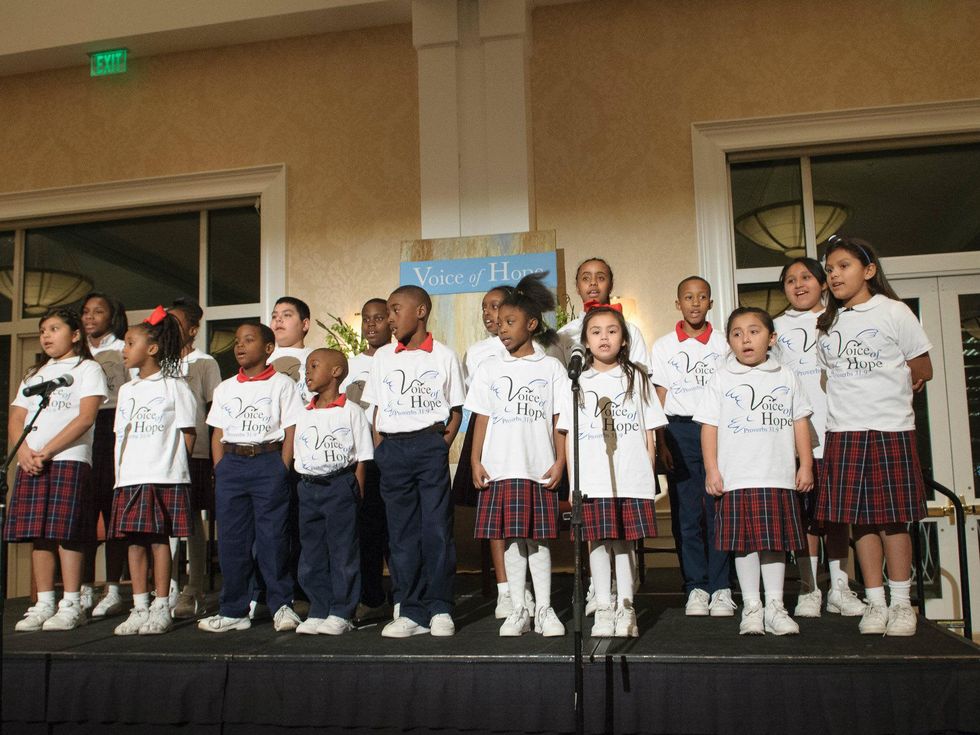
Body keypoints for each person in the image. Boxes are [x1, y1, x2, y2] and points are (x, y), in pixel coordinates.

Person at [815, 236, 932, 636]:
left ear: (868, 270)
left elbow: (923, 368)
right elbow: (827, 375)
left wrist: (899, 386)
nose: (834, 275)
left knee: (893, 520)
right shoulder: (827, 323)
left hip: (888, 428)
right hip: (844, 431)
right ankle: (876, 601)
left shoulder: (894, 312)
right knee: (859, 521)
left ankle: (902, 604)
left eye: (843, 266)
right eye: (829, 269)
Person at [696, 307, 813, 635]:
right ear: (729, 342)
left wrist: (805, 464)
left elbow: (799, 420)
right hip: (737, 476)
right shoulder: (721, 377)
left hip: (776, 475)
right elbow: (709, 426)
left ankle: (775, 605)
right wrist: (711, 470)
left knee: (774, 543)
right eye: (736, 333)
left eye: (754, 331)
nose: (745, 339)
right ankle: (752, 606)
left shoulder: (785, 375)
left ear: (771, 338)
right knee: (744, 543)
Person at [558, 306, 667, 638]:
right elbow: (567, 434)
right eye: (596, 332)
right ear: (586, 342)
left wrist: (646, 474)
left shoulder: (638, 378)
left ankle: (626, 605)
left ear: (624, 339)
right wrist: (573, 483)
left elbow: (650, 434)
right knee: (597, 542)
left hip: (629, 477)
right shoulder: (577, 382)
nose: (604, 337)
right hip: (592, 479)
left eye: (611, 330)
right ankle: (603, 605)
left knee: (624, 542)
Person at [467, 274, 566, 637]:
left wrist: (560, 461)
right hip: (499, 467)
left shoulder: (550, 368)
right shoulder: (489, 368)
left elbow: (559, 421)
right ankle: (518, 608)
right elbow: (481, 417)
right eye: (500, 323)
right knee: (510, 537)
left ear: (532, 324)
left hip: (537, 467)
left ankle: (544, 608)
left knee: (536, 538)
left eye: (511, 322)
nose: (503, 329)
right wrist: (477, 460)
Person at [362, 285, 465, 638]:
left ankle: (439, 608)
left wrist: (440, 445)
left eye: (395, 310)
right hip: (393, 449)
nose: (390, 319)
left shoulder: (444, 355)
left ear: (420, 311)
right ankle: (410, 609)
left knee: (436, 529)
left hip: (428, 446)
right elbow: (376, 409)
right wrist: (381, 449)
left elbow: (456, 410)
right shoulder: (383, 358)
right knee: (401, 533)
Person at [773, 259, 865, 618]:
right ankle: (810, 587)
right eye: (790, 280)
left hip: (838, 430)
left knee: (837, 516)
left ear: (823, 283)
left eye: (806, 278)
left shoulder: (841, 320)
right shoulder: (776, 328)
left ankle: (840, 587)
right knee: (806, 518)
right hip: (797, 439)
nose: (799, 285)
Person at [198, 322, 305, 633]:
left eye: (249, 340)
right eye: (236, 341)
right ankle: (233, 610)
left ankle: (281, 605)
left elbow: (291, 429)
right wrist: (220, 467)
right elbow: (217, 431)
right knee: (232, 541)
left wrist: (282, 467)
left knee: (273, 539)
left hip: (267, 462)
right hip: (232, 465)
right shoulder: (225, 387)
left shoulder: (282, 384)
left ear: (269, 348)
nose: (240, 346)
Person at [6, 307, 107, 631]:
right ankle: (44, 602)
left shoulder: (87, 369)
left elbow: (86, 417)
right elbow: (17, 418)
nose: (46, 336)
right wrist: (23, 452)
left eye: (54, 329)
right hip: (32, 460)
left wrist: (47, 451)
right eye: (42, 330)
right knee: (39, 535)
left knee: (67, 533)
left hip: (68, 459)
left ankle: (72, 603)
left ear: (75, 334)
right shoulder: (35, 373)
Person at [648, 276, 733, 616]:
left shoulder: (725, 344)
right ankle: (695, 586)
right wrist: (661, 439)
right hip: (680, 431)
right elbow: (660, 398)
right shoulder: (664, 346)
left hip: (718, 430)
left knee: (718, 510)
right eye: (688, 297)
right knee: (687, 513)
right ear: (678, 303)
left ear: (710, 303)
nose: (695, 303)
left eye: (702, 297)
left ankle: (722, 586)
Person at [110, 306, 197, 635]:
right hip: (130, 477)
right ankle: (140, 604)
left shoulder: (174, 386)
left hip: (163, 475)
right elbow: (121, 436)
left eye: (130, 343)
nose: (124, 349)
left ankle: (162, 604)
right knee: (134, 542)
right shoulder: (126, 390)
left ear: (153, 349)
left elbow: (189, 433)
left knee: (160, 541)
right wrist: (120, 476)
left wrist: (174, 468)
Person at [454, 285, 529, 619]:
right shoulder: (477, 352)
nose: (489, 314)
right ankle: (504, 589)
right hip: (487, 437)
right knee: (495, 517)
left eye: (496, 306)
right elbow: (478, 406)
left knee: (524, 516)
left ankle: (526, 585)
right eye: (484, 308)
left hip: (523, 436)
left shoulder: (534, 350)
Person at [291, 348, 374, 635]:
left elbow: (362, 458)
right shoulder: (302, 413)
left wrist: (355, 493)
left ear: (336, 371)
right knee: (311, 552)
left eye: (313, 366)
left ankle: (341, 611)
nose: (307, 372)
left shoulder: (351, 411)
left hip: (340, 486)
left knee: (342, 552)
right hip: (309, 486)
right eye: (306, 367)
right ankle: (318, 608)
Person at [169, 297, 222, 619]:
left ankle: (194, 586)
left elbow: (214, 409)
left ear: (192, 329)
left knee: (190, 521)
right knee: (165, 522)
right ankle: (168, 586)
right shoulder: (157, 362)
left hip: (196, 451)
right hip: (161, 452)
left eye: (175, 323)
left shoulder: (204, 363)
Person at [341, 298, 394, 620]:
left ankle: (403, 598)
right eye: (366, 319)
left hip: (389, 456)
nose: (371, 325)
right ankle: (371, 596)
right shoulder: (347, 363)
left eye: (379, 318)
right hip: (357, 460)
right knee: (365, 532)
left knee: (395, 531)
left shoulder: (393, 360)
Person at [80, 292, 130, 618]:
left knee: (113, 510)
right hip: (82, 430)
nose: (90, 317)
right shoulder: (77, 353)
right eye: (86, 312)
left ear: (111, 317)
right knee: (83, 511)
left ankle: (112, 588)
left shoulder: (123, 349)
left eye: (99, 311)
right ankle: (82, 589)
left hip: (112, 425)